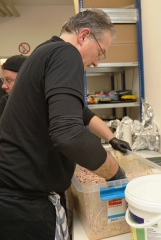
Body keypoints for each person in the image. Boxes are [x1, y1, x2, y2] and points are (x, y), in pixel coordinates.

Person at [0, 9, 131, 240]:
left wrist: (111, 137)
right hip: (26, 204)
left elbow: (81, 113)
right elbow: (69, 134)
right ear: (84, 35)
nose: (98, 63)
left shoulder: (45, 51)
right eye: (100, 52)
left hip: (12, 196)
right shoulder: (66, 54)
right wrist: (115, 174)